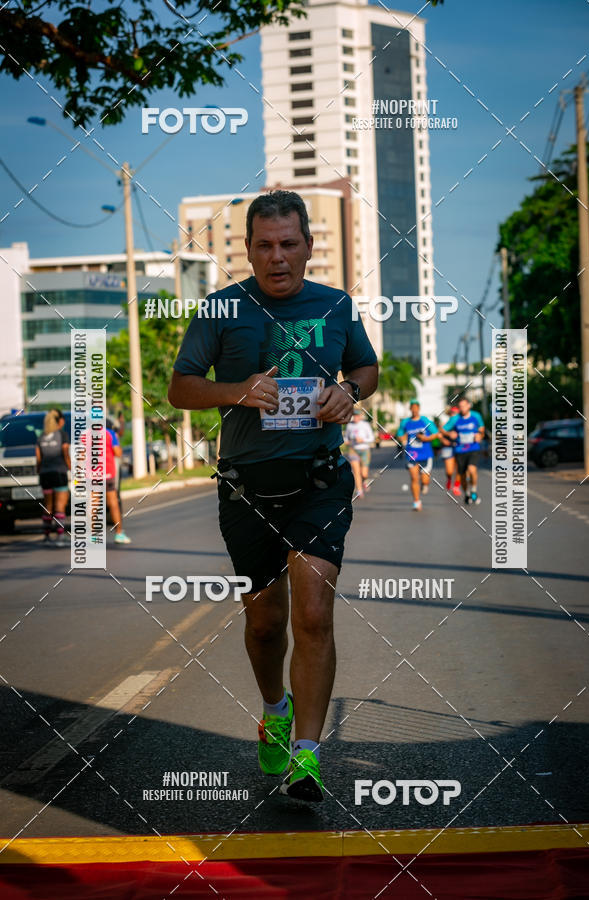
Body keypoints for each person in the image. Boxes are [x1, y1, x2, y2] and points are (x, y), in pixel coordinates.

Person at [168, 190, 378, 803]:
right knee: (265, 624)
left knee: (314, 611)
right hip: (247, 488)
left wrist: (350, 393)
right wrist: (237, 390)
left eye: (289, 244)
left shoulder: (336, 305)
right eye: (264, 245)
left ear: (309, 247)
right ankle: (274, 707)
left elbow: (366, 368)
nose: (277, 257)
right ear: (248, 249)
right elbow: (182, 388)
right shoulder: (219, 310)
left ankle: (307, 758)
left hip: (317, 481)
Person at [440, 396, 485, 504]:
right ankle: (467, 494)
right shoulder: (455, 419)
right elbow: (442, 429)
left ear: (469, 405)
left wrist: (480, 435)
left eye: (464, 406)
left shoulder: (476, 416)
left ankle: (474, 489)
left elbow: (481, 429)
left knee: (472, 470)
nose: (462, 408)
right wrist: (450, 433)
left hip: (473, 448)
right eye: (460, 407)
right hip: (460, 450)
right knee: (463, 475)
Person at [35, 409, 70, 546]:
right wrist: (71, 468)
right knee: (60, 505)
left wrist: (40, 471)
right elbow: (65, 453)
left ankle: (47, 536)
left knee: (48, 505)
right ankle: (60, 536)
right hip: (59, 472)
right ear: (57, 422)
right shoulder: (62, 435)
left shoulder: (41, 437)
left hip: (45, 474)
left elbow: (38, 458)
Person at [397, 400, 438, 511]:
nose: (414, 410)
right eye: (412, 408)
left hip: (425, 453)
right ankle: (416, 502)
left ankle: (425, 484)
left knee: (424, 480)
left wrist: (426, 438)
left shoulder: (425, 420)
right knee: (414, 478)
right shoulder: (405, 422)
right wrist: (403, 439)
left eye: (416, 408)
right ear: (410, 409)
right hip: (412, 453)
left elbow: (435, 434)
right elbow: (400, 434)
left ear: (418, 409)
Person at [344, 408, 375, 498]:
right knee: (356, 472)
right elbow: (346, 437)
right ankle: (359, 490)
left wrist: (362, 440)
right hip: (353, 450)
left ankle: (364, 480)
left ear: (361, 416)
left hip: (364, 449)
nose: (355, 417)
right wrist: (347, 441)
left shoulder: (365, 425)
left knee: (364, 473)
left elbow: (371, 438)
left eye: (357, 415)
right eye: (354, 415)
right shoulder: (350, 425)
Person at [439, 405, 461, 496]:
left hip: (460, 446)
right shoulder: (446, 424)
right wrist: (445, 440)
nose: (454, 415)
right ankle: (449, 479)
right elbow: (439, 434)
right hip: (448, 447)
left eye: (456, 413)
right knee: (449, 471)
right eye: (452, 413)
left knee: (459, 468)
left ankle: (456, 486)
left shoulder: (461, 422)